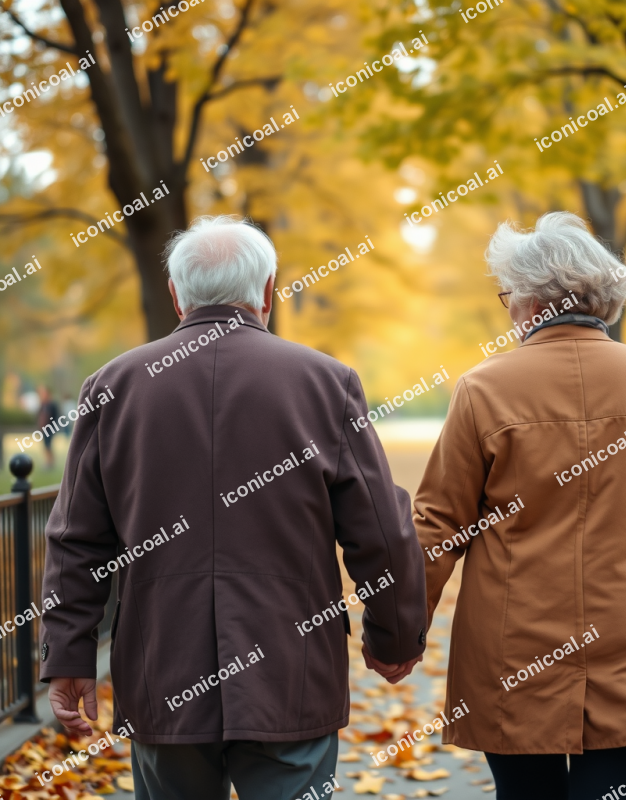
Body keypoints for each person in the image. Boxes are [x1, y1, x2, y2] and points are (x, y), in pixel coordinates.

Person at [40, 216, 427, 800]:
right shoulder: (327, 382)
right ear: (268, 290)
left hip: (163, 669)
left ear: (175, 294)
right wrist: (394, 636)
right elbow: (380, 528)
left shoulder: (112, 386)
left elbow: (77, 538)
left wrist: (68, 652)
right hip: (290, 669)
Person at [413, 212, 626, 800]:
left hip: (513, 648)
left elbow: (439, 523)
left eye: (508, 294)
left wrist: (402, 632)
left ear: (533, 300)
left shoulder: (484, 387)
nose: (506, 307)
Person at [36, 386, 59, 469]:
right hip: (44, 428)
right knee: (46, 446)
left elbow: (53, 416)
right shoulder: (43, 404)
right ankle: (48, 462)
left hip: (50, 428)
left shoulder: (51, 404)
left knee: (48, 445)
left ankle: (50, 463)